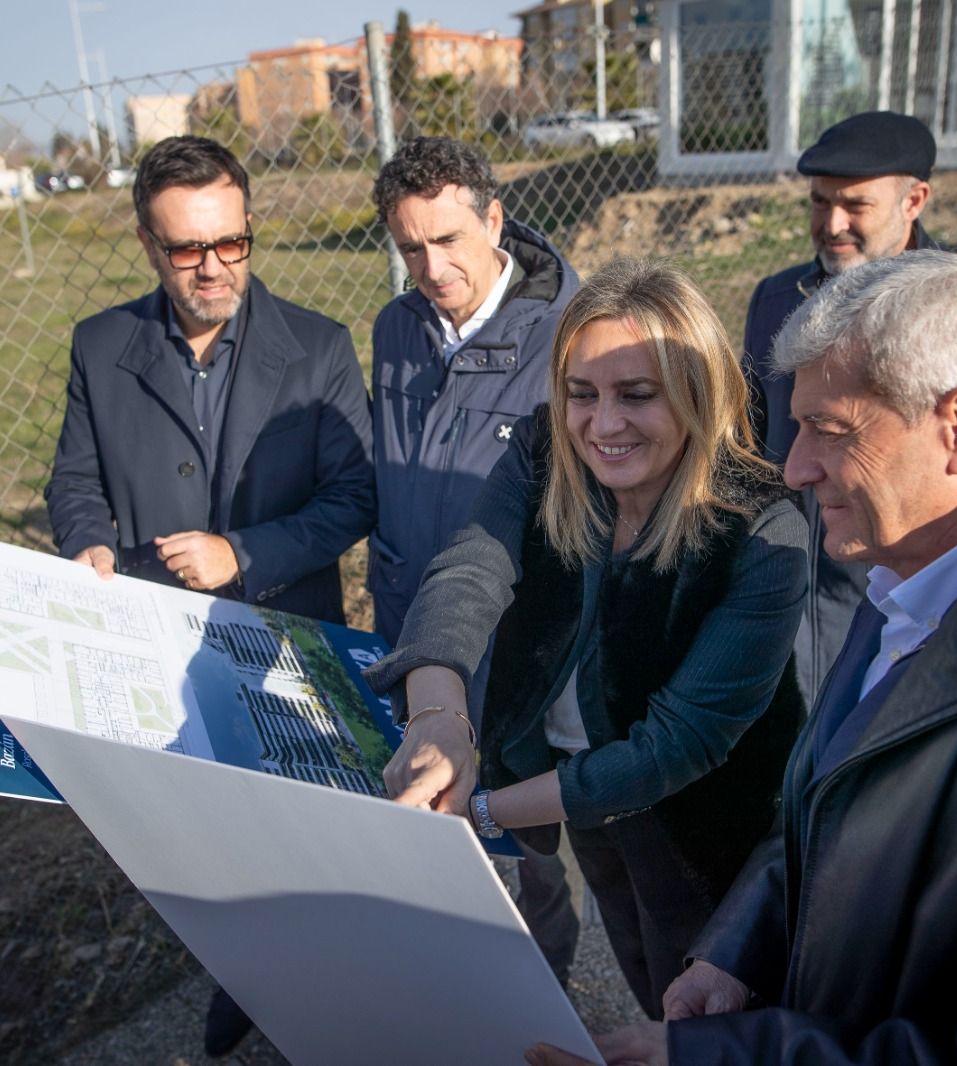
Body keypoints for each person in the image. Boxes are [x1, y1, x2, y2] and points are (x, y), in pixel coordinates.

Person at [527, 250, 957, 1066]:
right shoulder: (909, 578)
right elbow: (829, 818)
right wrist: (737, 949)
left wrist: (729, 1057)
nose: (796, 466)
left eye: (831, 429)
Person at [367, 258, 809, 1019]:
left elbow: (675, 747)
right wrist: (440, 718)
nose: (603, 425)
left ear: (698, 394)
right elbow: (470, 569)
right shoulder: (545, 451)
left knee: (701, 1000)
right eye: (582, 394)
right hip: (573, 792)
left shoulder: (764, 531)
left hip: (700, 824)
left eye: (637, 395)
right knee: (637, 965)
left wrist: (481, 811)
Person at [43, 136, 376, 1056]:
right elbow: (74, 481)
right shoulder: (102, 346)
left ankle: (335, 989)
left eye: (233, 243)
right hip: (155, 638)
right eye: (188, 249)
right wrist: (88, 542)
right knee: (210, 842)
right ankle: (250, 980)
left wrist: (244, 551)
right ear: (148, 244)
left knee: (311, 831)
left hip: (286, 639)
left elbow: (353, 496)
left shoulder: (316, 346)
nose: (214, 267)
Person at [742, 110, 957, 700]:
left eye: (856, 206)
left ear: (914, 200)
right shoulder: (774, 299)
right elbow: (756, 441)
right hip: (789, 594)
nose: (832, 224)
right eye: (819, 203)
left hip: (915, 607)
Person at [368, 135, 582, 984]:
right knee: (426, 823)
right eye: (410, 247)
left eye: (449, 239)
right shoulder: (396, 328)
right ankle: (447, 988)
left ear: (494, 219)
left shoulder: (567, 339)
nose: (431, 265)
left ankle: (542, 996)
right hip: (415, 631)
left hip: (517, 648)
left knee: (524, 850)